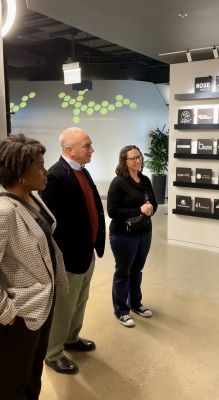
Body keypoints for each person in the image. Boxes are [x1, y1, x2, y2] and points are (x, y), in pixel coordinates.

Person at [0, 133, 68, 400]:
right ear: (19, 173)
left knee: (33, 370)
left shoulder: (33, 198)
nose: (45, 171)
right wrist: (7, 312)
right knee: (12, 378)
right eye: (39, 166)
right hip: (19, 312)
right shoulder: (4, 212)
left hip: (41, 304)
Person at [40, 127, 105, 374]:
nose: (92, 149)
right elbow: (51, 224)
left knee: (80, 300)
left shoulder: (81, 171)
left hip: (86, 253)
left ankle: (71, 339)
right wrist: (63, 257)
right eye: (87, 146)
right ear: (69, 150)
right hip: (69, 258)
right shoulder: (56, 176)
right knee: (64, 306)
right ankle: (53, 353)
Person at [107, 145, 158, 327]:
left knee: (137, 270)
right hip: (123, 236)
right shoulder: (118, 182)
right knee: (123, 272)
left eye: (139, 157)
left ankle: (136, 304)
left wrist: (150, 208)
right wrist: (138, 209)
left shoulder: (144, 180)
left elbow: (154, 203)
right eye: (132, 158)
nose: (137, 160)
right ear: (124, 161)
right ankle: (121, 310)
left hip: (144, 233)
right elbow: (112, 211)